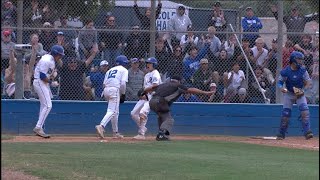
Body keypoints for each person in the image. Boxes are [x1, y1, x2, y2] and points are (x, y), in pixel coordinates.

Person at [140, 75, 213, 141]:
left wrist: (143, 93)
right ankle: (162, 134)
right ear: (179, 81)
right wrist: (205, 93)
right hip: (161, 102)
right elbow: (191, 90)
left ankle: (162, 134)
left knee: (162, 116)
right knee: (169, 120)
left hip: (152, 102)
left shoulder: (163, 84)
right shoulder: (178, 85)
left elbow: (150, 88)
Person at [276, 51, 313, 140]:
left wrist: (302, 91)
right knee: (286, 114)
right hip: (289, 93)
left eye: (301, 60)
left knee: (304, 111)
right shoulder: (286, 71)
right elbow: (280, 82)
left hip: (299, 92)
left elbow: (308, 82)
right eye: (299, 59)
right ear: (293, 59)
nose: (300, 61)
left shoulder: (303, 70)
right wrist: (281, 88)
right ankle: (281, 133)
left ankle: (307, 131)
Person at [32, 45, 65, 138]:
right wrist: (51, 82)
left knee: (44, 105)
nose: (60, 57)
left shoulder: (51, 60)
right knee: (48, 105)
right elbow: (42, 76)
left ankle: (39, 127)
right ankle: (38, 127)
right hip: (39, 82)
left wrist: (53, 75)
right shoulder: (46, 60)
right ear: (55, 54)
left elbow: (47, 74)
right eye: (59, 55)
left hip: (42, 83)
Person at [95, 55, 129, 139]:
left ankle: (115, 132)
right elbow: (123, 83)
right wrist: (123, 94)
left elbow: (103, 84)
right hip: (114, 89)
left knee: (115, 112)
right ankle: (101, 126)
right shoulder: (124, 70)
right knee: (112, 111)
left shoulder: (110, 70)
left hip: (106, 89)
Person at [131, 57, 162, 140]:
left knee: (143, 112)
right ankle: (143, 127)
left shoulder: (155, 73)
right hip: (147, 96)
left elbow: (155, 86)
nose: (148, 65)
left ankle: (141, 134)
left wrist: (146, 91)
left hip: (154, 97)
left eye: (150, 63)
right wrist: (143, 94)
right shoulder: (147, 75)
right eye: (147, 63)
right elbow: (146, 88)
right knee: (133, 113)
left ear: (154, 65)